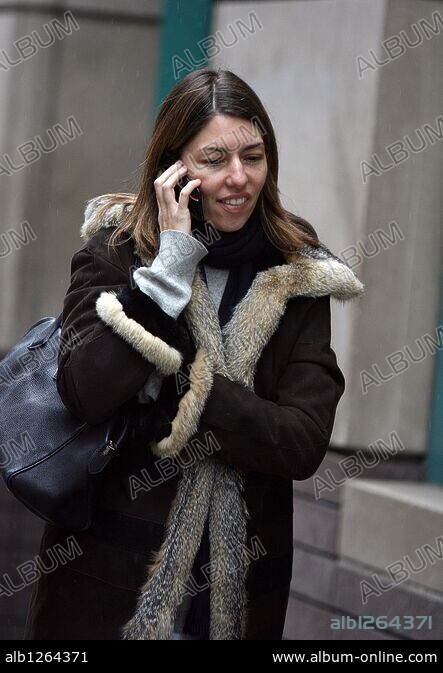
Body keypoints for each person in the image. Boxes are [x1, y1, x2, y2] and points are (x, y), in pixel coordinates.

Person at [24, 67, 364, 641]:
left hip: (238, 596)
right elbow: (87, 389)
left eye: (253, 157)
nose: (239, 178)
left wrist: (180, 392)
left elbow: (302, 440)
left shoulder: (295, 270)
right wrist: (169, 270)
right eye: (214, 160)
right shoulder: (118, 251)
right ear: (173, 166)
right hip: (109, 587)